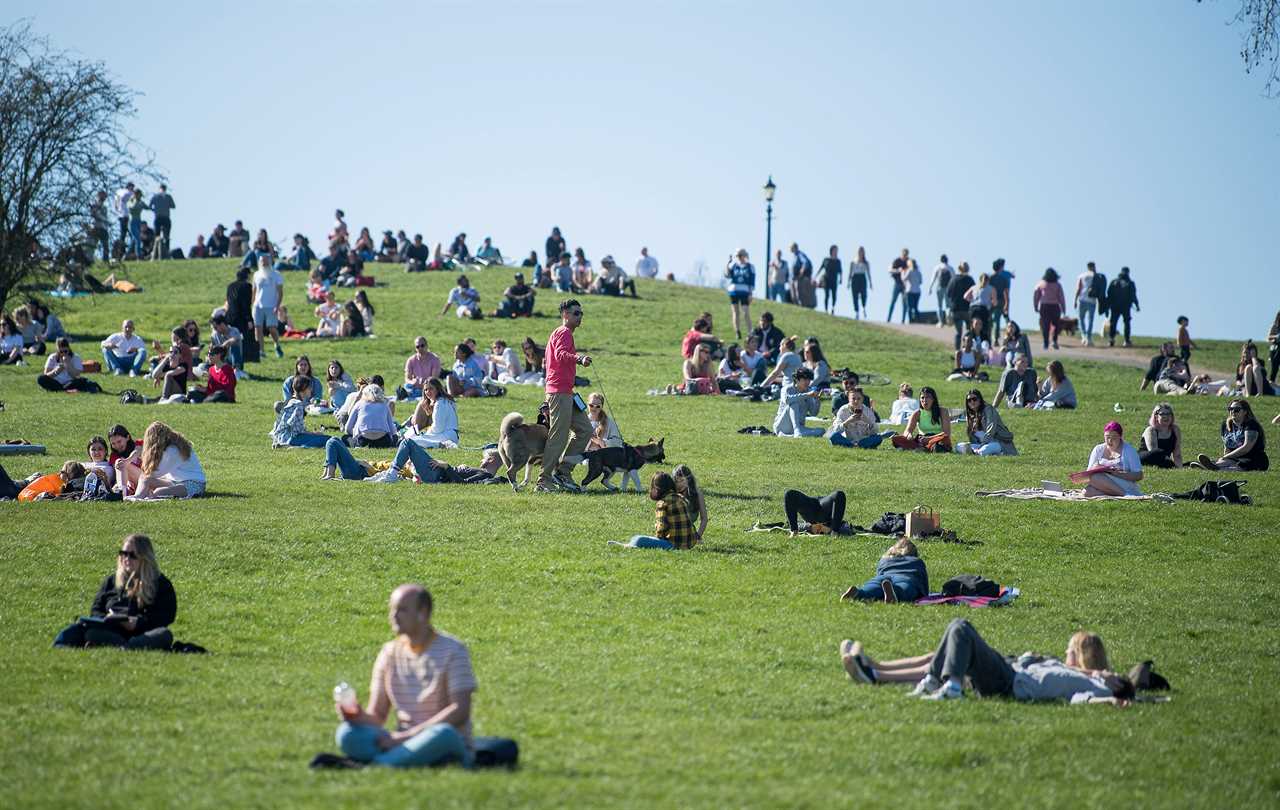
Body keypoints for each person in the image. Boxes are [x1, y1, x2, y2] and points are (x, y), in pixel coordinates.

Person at [333, 583, 477, 768]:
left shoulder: (453, 650)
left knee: (444, 733)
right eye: (392, 609)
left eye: (402, 610)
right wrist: (358, 716)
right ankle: (400, 759)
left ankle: (377, 764)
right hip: (402, 741)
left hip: (441, 739)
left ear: (422, 613)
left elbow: (460, 711)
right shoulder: (389, 653)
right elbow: (377, 716)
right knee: (347, 733)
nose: (393, 616)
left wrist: (406, 737)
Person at [841, 621, 1133, 706]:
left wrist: (1113, 696)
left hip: (1009, 681)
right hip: (1008, 673)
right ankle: (877, 670)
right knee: (950, 643)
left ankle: (945, 685)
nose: (1065, 653)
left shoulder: (1093, 682)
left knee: (960, 630)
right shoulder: (1074, 671)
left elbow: (1088, 696)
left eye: (1070, 649)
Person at [52, 534, 177, 651]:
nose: (126, 558)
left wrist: (137, 622)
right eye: (124, 554)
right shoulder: (111, 581)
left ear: (145, 557)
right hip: (112, 631)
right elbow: (96, 609)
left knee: (164, 635)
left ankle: (125, 646)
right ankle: (61, 646)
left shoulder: (160, 583)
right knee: (84, 628)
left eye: (132, 555)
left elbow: (165, 616)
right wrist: (106, 619)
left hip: (143, 633)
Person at [537, 300, 593, 493]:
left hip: (565, 392)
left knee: (585, 430)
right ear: (565, 315)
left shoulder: (563, 333)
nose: (580, 317)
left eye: (581, 313)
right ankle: (543, 480)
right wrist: (579, 358)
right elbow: (561, 354)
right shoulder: (563, 332)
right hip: (558, 392)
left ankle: (563, 471)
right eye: (576, 313)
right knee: (558, 437)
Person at [625, 472, 699, 550]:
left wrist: (657, 538)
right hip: (690, 543)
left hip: (673, 545)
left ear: (657, 489)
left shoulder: (662, 504)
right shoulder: (681, 498)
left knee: (638, 539)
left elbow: (661, 529)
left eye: (652, 487)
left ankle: (629, 545)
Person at [841, 538, 928, 603]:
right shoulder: (916, 561)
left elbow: (879, 573)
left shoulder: (885, 559)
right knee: (903, 590)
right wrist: (924, 593)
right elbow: (922, 581)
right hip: (905, 578)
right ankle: (894, 593)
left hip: (882, 578)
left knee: (872, 589)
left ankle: (858, 593)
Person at [133, 422, 206, 499]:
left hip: (193, 484)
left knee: (159, 491)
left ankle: (144, 497)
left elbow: (157, 473)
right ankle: (137, 497)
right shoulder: (168, 448)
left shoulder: (174, 450)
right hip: (174, 481)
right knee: (145, 479)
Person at [1193, 399, 1269, 471]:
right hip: (1236, 457)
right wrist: (1224, 458)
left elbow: (1246, 447)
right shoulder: (1225, 425)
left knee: (1236, 467)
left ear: (1245, 412)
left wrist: (1226, 457)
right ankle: (1212, 466)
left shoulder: (1251, 425)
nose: (1233, 411)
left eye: (1236, 409)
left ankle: (1214, 468)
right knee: (1224, 462)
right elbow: (1227, 446)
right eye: (1230, 409)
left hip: (1254, 458)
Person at [1082, 421, 1144, 497]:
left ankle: (1126, 494)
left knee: (1095, 477)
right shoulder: (1098, 449)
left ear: (1120, 437)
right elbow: (1087, 474)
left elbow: (1139, 475)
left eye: (1114, 437)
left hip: (1124, 482)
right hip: (1102, 482)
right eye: (1107, 437)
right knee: (1087, 492)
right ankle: (1118, 494)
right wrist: (1097, 467)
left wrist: (1117, 473)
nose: (1110, 441)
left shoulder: (1129, 450)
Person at [956, 389, 1017, 456]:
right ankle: (976, 452)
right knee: (959, 446)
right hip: (981, 444)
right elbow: (973, 438)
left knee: (984, 450)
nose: (972, 402)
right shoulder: (970, 416)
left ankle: (977, 452)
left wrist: (982, 445)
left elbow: (991, 430)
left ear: (980, 400)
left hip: (998, 442)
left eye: (974, 399)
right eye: (969, 400)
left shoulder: (988, 410)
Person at [892, 386, 951, 452]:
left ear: (933, 399)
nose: (924, 400)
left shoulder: (943, 411)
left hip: (937, 438)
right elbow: (907, 431)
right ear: (919, 400)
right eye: (922, 398)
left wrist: (928, 439)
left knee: (944, 438)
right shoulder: (917, 413)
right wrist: (909, 435)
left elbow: (946, 433)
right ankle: (923, 448)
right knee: (896, 439)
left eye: (928, 397)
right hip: (922, 439)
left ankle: (923, 448)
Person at [829, 383, 888, 449]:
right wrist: (847, 421)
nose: (856, 401)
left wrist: (867, 421)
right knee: (833, 436)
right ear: (849, 399)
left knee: (878, 438)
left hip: (864, 440)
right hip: (848, 440)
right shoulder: (843, 410)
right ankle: (853, 445)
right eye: (853, 399)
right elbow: (836, 430)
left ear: (862, 399)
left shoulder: (867, 411)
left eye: (858, 399)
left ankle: (858, 445)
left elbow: (875, 431)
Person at [250, 256, 285, 359]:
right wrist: (251, 304)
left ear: (270, 262)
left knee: (272, 328)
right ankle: (261, 351)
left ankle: (277, 344)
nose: (264, 264)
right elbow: (254, 291)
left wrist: (277, 306)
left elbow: (280, 292)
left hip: (271, 305)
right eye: (262, 262)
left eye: (266, 262)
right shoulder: (256, 275)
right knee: (258, 328)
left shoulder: (276, 275)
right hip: (258, 305)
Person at [407, 379, 460, 448]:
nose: (428, 392)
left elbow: (438, 428)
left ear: (437, 389)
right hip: (447, 435)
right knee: (413, 439)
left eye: (431, 389)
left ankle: (441, 445)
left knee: (412, 440)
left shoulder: (440, 403)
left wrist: (427, 432)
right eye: (426, 390)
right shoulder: (443, 401)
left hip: (447, 436)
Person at [773, 367, 824, 438]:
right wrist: (807, 395)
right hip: (782, 426)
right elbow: (788, 400)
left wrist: (817, 400)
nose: (808, 382)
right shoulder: (787, 389)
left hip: (800, 426)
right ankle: (796, 432)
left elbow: (813, 413)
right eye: (805, 379)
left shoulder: (808, 391)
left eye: (809, 380)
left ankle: (789, 436)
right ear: (797, 380)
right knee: (794, 403)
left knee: (821, 431)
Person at [1138, 403, 1183, 468]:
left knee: (1167, 459)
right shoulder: (1151, 430)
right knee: (1159, 452)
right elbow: (1153, 451)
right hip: (1145, 457)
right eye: (1162, 414)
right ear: (1156, 417)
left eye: (1168, 414)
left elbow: (1177, 454)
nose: (1166, 417)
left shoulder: (1175, 430)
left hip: (1164, 459)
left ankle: (1191, 465)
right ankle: (1173, 466)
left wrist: (1180, 468)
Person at [724, 249, 755, 340]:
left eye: (740, 255)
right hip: (734, 291)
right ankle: (737, 331)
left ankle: (750, 332)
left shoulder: (750, 267)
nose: (739, 257)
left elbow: (752, 281)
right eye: (737, 256)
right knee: (735, 312)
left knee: (745, 312)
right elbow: (727, 275)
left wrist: (750, 293)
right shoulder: (734, 265)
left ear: (744, 255)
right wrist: (728, 264)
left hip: (745, 291)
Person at [672, 464, 708, 543]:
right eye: (677, 481)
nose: (679, 484)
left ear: (689, 480)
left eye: (682, 480)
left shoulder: (697, 494)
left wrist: (698, 536)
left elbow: (704, 518)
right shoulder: (672, 494)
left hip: (688, 532)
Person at [1106, 266, 1140, 347]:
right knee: (1126, 323)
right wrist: (1137, 305)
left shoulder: (1114, 282)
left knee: (1113, 323)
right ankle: (1126, 341)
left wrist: (1108, 305)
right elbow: (1133, 295)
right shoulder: (1130, 283)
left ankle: (1111, 339)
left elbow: (1109, 293)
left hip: (1114, 306)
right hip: (1126, 307)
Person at [1033, 268, 1066, 351]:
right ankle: (1054, 340)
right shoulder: (1058, 285)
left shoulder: (1041, 283)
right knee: (1056, 324)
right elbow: (1061, 297)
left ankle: (1046, 342)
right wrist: (1063, 307)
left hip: (1044, 306)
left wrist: (1036, 306)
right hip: (1055, 306)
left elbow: (1036, 295)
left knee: (1045, 325)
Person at [945, 262, 975, 350]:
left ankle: (957, 351)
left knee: (958, 332)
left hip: (956, 308)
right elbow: (974, 292)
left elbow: (948, 293)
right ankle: (967, 348)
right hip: (967, 308)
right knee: (969, 331)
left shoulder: (954, 279)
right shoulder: (970, 279)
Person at [1074, 262, 1100, 346]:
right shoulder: (1097, 276)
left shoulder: (1082, 276)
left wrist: (1075, 300)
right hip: (1092, 300)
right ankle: (1089, 338)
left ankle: (1084, 336)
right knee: (1090, 320)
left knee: (1081, 319)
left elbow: (1078, 288)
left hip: (1082, 299)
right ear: (1094, 267)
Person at [988, 258, 1014, 339]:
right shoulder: (1003, 279)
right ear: (1000, 267)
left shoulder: (990, 278)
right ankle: (999, 337)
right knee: (999, 319)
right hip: (1001, 301)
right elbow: (1006, 292)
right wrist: (1007, 303)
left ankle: (991, 336)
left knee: (992, 319)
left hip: (991, 301)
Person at [149, 184, 176, 256]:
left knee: (163, 236)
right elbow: (173, 206)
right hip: (161, 218)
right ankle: (158, 252)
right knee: (160, 236)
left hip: (162, 217)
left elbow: (173, 206)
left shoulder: (163, 197)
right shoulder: (161, 197)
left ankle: (163, 251)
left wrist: (156, 209)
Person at [790, 243, 816, 309]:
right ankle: (798, 306)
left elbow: (805, 262)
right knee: (795, 294)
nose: (790, 249)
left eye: (791, 248)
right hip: (794, 278)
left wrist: (802, 269)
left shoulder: (800, 254)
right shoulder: (795, 256)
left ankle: (801, 306)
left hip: (799, 278)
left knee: (799, 293)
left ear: (795, 248)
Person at [817, 246, 842, 314]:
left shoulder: (838, 261)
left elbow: (840, 271)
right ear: (831, 251)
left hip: (834, 280)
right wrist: (816, 276)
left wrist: (841, 279)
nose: (836, 252)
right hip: (826, 279)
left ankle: (833, 308)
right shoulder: (826, 260)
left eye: (837, 250)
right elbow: (821, 268)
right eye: (835, 250)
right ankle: (826, 309)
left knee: (834, 295)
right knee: (827, 295)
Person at [885, 250, 907, 323]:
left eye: (906, 254)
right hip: (897, 283)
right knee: (893, 301)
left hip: (905, 285)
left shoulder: (908, 262)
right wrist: (898, 270)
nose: (905, 256)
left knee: (905, 303)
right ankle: (889, 318)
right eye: (904, 254)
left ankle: (903, 320)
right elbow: (890, 270)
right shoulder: (897, 261)